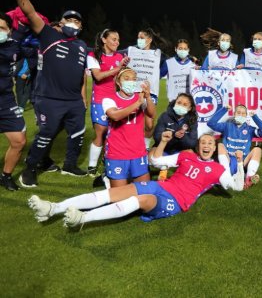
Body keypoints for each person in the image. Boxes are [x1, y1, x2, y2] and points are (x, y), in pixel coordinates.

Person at [27, 133, 245, 229]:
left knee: (142, 200)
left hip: (177, 201)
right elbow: (157, 160)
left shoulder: (217, 169)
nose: (206, 145)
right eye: (203, 142)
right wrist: (162, 143)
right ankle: (52, 208)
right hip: (161, 185)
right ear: (198, 146)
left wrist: (240, 163)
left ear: (214, 148)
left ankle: (82, 219)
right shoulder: (186, 155)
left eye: (210, 143)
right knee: (114, 193)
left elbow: (237, 186)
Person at [7, 0, 89, 187]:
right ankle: (31, 167)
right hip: (49, 99)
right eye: (69, 20)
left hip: (74, 101)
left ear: (81, 27)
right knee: (47, 134)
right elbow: (30, 12)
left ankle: (70, 165)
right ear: (60, 23)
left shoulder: (81, 46)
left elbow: (81, 75)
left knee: (78, 134)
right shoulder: (49, 35)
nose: (73, 23)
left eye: (77, 22)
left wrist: (82, 100)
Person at [102, 68, 156, 188]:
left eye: (133, 79)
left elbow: (151, 114)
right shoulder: (109, 99)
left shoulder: (140, 97)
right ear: (118, 81)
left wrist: (147, 97)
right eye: (126, 78)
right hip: (117, 152)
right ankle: (107, 178)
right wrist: (137, 103)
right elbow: (115, 116)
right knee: (120, 197)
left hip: (138, 152)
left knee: (144, 192)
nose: (130, 82)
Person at [86, 29, 129, 177]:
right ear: (104, 40)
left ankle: (107, 159)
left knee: (113, 133)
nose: (117, 42)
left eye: (118, 40)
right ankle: (91, 166)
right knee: (101, 132)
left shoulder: (120, 56)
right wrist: (118, 68)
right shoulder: (93, 56)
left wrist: (124, 69)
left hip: (116, 100)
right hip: (99, 99)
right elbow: (97, 76)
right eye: (113, 39)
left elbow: (123, 78)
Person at [207, 103, 262, 189]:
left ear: (246, 116)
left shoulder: (250, 129)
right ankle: (227, 175)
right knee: (220, 145)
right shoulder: (227, 126)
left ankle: (249, 177)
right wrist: (224, 109)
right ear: (234, 114)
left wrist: (255, 117)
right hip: (229, 161)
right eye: (238, 112)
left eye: (243, 113)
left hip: (243, 162)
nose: (241, 115)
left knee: (257, 150)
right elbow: (211, 123)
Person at [127, 28, 167, 150]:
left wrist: (156, 77)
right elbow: (115, 54)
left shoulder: (157, 54)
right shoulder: (131, 51)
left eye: (142, 38)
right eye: (138, 37)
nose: (139, 40)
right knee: (130, 122)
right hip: (133, 92)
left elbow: (169, 64)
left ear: (149, 40)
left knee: (149, 125)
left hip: (150, 93)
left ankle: (145, 148)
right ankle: (129, 147)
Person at [0, 12, 26, 191]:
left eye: (1, 28)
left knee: (19, 140)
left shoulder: (15, 46)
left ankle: (5, 176)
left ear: (9, 31)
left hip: (6, 99)